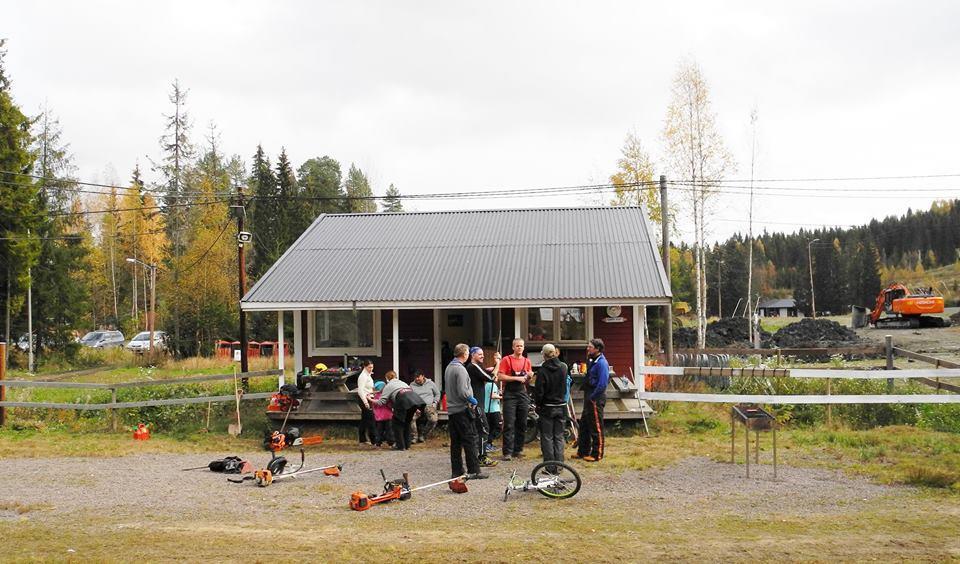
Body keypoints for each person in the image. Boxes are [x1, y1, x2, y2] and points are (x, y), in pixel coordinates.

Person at [444, 343, 487, 479]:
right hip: (462, 409)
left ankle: (457, 471)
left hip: (451, 410)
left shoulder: (449, 367)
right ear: (465, 354)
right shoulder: (461, 369)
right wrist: (472, 400)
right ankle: (474, 470)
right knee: (469, 439)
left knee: (455, 443)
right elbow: (463, 391)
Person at [532, 343, 568, 465]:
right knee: (559, 436)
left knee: (547, 437)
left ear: (544, 355)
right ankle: (560, 466)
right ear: (555, 353)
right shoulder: (564, 367)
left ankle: (550, 466)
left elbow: (539, 392)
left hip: (547, 407)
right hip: (562, 406)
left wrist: (538, 404)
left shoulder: (542, 371)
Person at [497, 338, 532, 461]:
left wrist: (529, 375)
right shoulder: (506, 360)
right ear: (513, 347)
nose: (519, 348)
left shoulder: (526, 361)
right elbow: (500, 376)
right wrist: (516, 378)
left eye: (521, 346)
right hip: (510, 394)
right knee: (509, 423)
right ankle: (507, 452)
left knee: (522, 423)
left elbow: (529, 374)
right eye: (517, 346)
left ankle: (518, 450)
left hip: (522, 393)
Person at [373, 370, 426, 450]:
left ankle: (400, 446)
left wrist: (370, 400)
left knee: (397, 423)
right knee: (407, 422)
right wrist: (416, 409)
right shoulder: (402, 383)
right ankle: (407, 445)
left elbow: (382, 402)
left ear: (387, 378)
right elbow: (410, 394)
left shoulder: (389, 385)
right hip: (414, 399)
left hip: (402, 399)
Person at [465, 347, 500, 467]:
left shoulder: (474, 367)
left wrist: (492, 368)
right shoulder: (473, 367)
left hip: (477, 404)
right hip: (477, 404)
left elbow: (485, 372)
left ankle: (476, 456)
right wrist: (498, 363)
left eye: (483, 354)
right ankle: (482, 457)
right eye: (479, 354)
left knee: (477, 431)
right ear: (472, 355)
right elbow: (491, 378)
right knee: (484, 429)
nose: (482, 356)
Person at [575, 338, 609, 462]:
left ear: (597, 349)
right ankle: (583, 451)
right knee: (584, 424)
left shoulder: (602, 363)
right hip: (589, 395)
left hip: (596, 396)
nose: (588, 348)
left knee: (596, 427)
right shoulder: (591, 360)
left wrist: (593, 397)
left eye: (590, 347)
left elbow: (602, 384)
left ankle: (597, 454)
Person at [410, 369, 440, 442]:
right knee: (410, 418)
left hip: (429, 406)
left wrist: (435, 403)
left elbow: (437, 394)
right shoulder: (411, 385)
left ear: (423, 376)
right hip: (417, 406)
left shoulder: (431, 383)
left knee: (433, 419)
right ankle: (414, 436)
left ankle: (423, 435)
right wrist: (414, 407)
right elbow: (409, 397)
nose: (417, 379)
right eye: (415, 377)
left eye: (418, 377)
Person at [355, 359, 378, 446]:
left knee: (364, 420)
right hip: (364, 399)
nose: (371, 369)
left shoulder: (368, 375)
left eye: (372, 367)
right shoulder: (363, 376)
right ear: (365, 367)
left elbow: (369, 388)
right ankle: (374, 440)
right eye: (369, 367)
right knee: (371, 419)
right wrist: (365, 402)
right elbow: (360, 390)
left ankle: (362, 440)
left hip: (370, 397)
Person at [483, 373, 502, 454]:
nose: (498, 377)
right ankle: (488, 443)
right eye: (497, 376)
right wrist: (502, 397)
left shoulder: (487, 384)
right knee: (497, 427)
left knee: (490, 427)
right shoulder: (492, 385)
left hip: (487, 409)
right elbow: (493, 395)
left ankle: (488, 443)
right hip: (493, 409)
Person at [371, 381, 394, 448]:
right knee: (389, 431)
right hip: (388, 416)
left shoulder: (375, 396)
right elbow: (390, 405)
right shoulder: (386, 395)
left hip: (379, 417)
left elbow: (374, 406)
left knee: (379, 431)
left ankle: (378, 443)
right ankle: (391, 443)